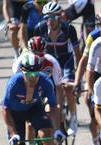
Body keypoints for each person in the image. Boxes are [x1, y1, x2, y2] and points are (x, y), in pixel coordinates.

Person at [33, 1, 80, 134]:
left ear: (59, 17)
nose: (50, 20)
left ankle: (73, 118)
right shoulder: (40, 28)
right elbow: (34, 49)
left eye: (53, 17)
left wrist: (77, 72)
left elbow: (77, 51)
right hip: (49, 62)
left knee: (67, 88)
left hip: (66, 61)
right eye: (47, 17)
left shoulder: (69, 29)